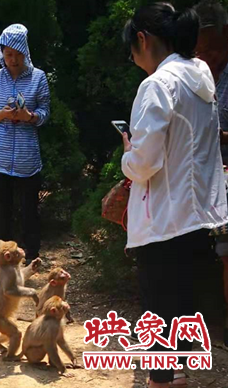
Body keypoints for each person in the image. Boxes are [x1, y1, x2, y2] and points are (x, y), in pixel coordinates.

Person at [121, 3, 227, 387]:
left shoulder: (157, 86)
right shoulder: (202, 78)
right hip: (199, 218)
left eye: (133, 49)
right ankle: (177, 377)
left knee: (159, 316)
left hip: (163, 222)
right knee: (183, 311)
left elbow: (145, 162)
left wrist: (126, 156)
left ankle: (164, 381)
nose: (134, 58)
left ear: (143, 40)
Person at [0, 23, 50, 265]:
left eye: (17, 54)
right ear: (2, 53)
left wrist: (29, 117)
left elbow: (44, 112)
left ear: (25, 52)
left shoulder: (38, 77)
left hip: (27, 157)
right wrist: (2, 114)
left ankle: (31, 256)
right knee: (1, 210)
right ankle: (4, 257)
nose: (13, 59)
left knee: (29, 210)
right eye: (8, 54)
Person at [194, 0, 228, 348]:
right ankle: (207, 320)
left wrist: (218, 136)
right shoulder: (200, 73)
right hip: (206, 175)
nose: (208, 57)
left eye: (213, 48)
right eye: (201, 51)